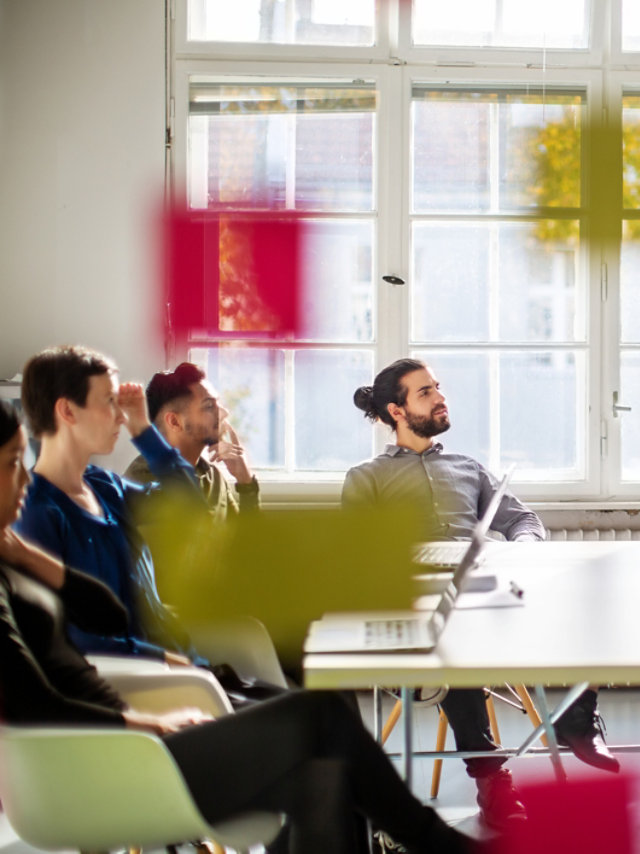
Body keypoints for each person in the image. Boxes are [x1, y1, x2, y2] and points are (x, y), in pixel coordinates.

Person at [0, 398, 478, 854]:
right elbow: (29, 700)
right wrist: (146, 722)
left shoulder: (15, 555)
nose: (23, 477)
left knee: (323, 776)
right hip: (107, 758)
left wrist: (23, 555)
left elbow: (105, 612)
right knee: (322, 713)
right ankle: (435, 843)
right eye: (10, 464)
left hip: (126, 738)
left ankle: (428, 843)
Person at [342, 359, 619, 829]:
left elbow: (524, 521)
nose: (440, 397)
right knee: (456, 637)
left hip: (490, 581)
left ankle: (577, 713)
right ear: (397, 410)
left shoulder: (467, 467)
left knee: (592, 593)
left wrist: (522, 553)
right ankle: (493, 779)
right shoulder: (366, 477)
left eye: (438, 388)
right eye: (425, 392)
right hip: (422, 601)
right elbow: (355, 556)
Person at [15, 345, 206, 663]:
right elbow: (69, 637)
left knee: (310, 703)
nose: (121, 415)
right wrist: (166, 660)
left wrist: (144, 431)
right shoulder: (37, 513)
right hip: (155, 684)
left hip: (195, 670)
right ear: (67, 411)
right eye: (109, 402)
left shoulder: (106, 486)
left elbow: (189, 503)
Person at [125, 361, 259, 521]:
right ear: (174, 422)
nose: (224, 413)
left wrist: (246, 483)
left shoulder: (212, 477)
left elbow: (247, 543)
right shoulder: (143, 485)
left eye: (218, 404)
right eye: (209, 406)